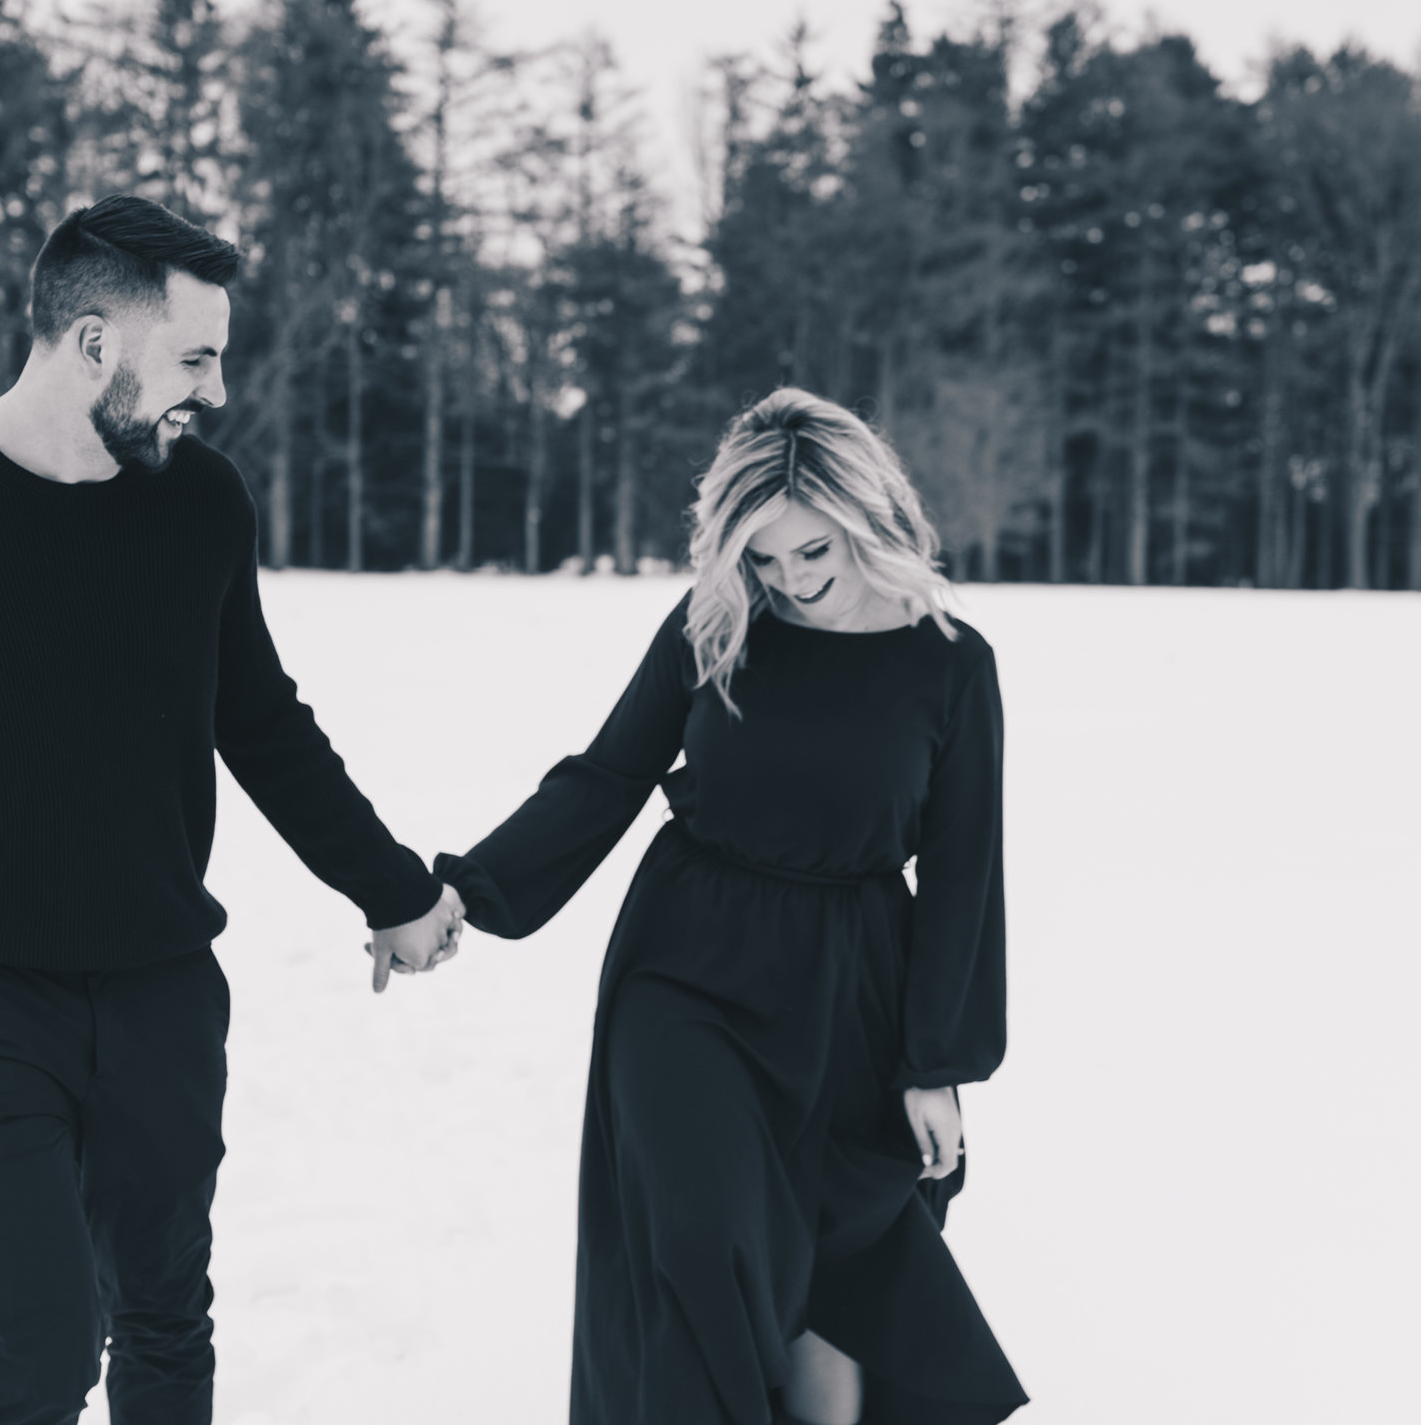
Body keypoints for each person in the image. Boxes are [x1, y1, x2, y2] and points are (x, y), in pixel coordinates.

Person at [0, 194, 465, 1425]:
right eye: (194, 357)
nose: (217, 391)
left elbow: (263, 724)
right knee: (36, 1357)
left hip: (160, 989)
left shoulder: (200, 504)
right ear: (91, 344)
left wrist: (392, 889)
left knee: (166, 1324)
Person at [435, 387, 1029, 1425]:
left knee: (834, 1263)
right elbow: (608, 774)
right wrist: (470, 889)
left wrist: (938, 1065)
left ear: (864, 520)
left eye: (812, 554)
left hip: (853, 991)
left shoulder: (948, 663)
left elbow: (965, 874)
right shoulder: (713, 620)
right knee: (703, 1240)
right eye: (761, 558)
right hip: (687, 969)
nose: (787, 581)